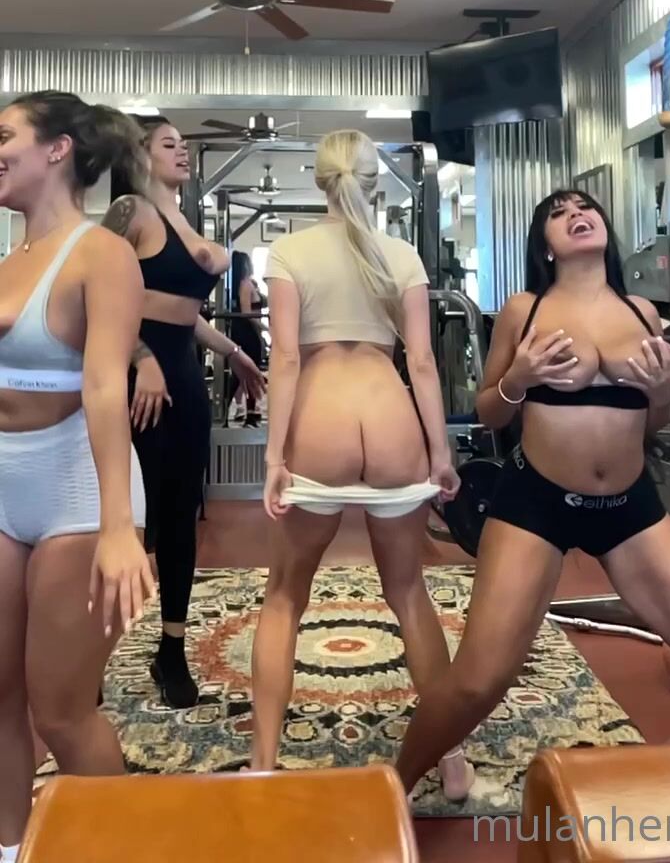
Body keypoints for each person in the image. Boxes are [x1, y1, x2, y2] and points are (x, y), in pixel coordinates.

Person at [396, 189, 670, 793]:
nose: (576, 215)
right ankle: (392, 786)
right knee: (477, 682)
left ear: (604, 227)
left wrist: (660, 395)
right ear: (544, 245)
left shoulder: (642, 313)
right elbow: (490, 411)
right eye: (558, 213)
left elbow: (652, 424)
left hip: (628, 507)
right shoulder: (525, 310)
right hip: (536, 504)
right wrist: (518, 378)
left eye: (584, 207)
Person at [249, 129, 473, 800]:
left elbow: (286, 358)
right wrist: (441, 453)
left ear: (320, 180)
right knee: (409, 592)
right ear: (375, 182)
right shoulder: (400, 253)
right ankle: (450, 758)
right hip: (391, 421)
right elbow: (423, 362)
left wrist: (274, 456)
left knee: (284, 596)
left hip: (320, 424)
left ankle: (263, 763)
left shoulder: (290, 251)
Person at [0, 90, 153, 863]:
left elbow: (103, 387)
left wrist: (119, 528)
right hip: (3, 484)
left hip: (74, 488)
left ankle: (121, 850)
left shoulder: (101, 253)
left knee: (59, 710)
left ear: (57, 149)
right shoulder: (10, 258)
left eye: (4, 136)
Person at [103, 116, 264, 708]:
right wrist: (140, 357)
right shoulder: (129, 211)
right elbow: (98, 295)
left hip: (183, 379)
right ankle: (89, 649)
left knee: (178, 515)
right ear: (139, 154)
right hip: (134, 377)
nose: (183, 151)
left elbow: (180, 311)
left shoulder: (179, 217)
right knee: (119, 519)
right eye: (169, 144)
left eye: (184, 144)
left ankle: (170, 650)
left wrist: (234, 353)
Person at [228, 251, 265, 425]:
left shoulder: (240, 284)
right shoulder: (246, 284)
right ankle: (247, 412)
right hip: (248, 332)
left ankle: (250, 411)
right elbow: (246, 312)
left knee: (244, 372)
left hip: (242, 331)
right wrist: (266, 327)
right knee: (248, 371)